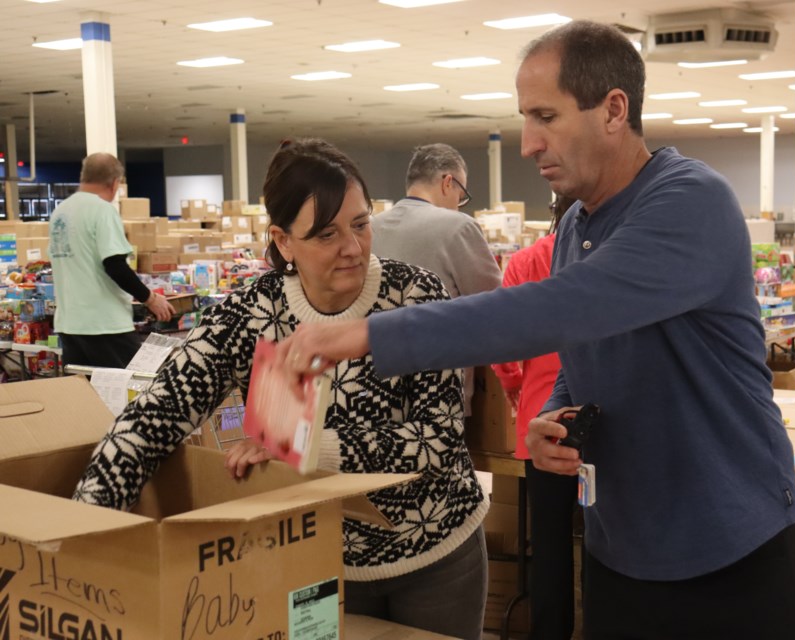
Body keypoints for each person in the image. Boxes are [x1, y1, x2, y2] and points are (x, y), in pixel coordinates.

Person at [275, 21, 795, 639]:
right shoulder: (575, 227)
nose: (527, 143)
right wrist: (558, 414)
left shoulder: (690, 201)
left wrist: (369, 335)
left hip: (731, 548)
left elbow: (561, 307)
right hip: (623, 551)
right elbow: (583, 346)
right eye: (524, 118)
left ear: (614, 109)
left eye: (545, 116)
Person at [72, 139, 489, 639]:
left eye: (360, 224)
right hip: (319, 558)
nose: (353, 247)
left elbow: (436, 439)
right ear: (284, 241)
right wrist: (80, 533)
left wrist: (299, 448)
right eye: (326, 234)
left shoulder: (416, 295)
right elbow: (153, 419)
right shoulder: (251, 313)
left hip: (438, 554)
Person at [490, 194, 578, 640]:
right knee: (610, 542)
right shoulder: (612, 259)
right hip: (601, 421)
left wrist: (513, 389)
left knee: (549, 545)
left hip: (540, 424)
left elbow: (503, 344)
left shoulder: (525, 263)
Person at [372, 143, 502, 413]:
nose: (459, 204)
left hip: (375, 385)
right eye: (461, 194)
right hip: (437, 392)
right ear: (448, 183)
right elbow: (494, 305)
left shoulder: (370, 227)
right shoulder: (457, 226)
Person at [48, 152, 174, 368]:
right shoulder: (103, 211)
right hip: (104, 324)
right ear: (115, 183)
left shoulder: (60, 212)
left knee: (85, 395)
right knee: (136, 390)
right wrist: (151, 299)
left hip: (69, 324)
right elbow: (115, 266)